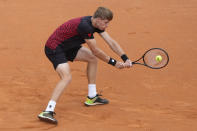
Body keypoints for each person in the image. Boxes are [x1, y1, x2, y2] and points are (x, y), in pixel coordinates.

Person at [38, 6, 132, 124]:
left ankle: (92, 97)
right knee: (66, 77)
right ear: (98, 19)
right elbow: (96, 50)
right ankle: (48, 111)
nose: (107, 25)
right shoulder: (85, 26)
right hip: (55, 48)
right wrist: (115, 63)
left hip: (70, 46)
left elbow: (111, 42)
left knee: (92, 59)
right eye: (106, 22)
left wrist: (125, 58)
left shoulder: (95, 23)